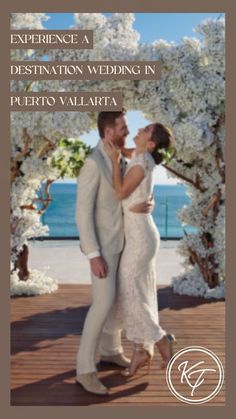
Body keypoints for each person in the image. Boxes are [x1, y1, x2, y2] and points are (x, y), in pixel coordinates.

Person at [75, 109, 154, 395]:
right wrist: (93, 254)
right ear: (109, 132)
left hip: (125, 242)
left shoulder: (119, 156)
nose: (127, 131)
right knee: (102, 304)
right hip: (104, 249)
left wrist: (147, 202)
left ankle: (110, 350)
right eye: (123, 128)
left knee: (116, 302)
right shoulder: (93, 164)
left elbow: (136, 182)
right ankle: (85, 369)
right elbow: (82, 214)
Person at [104, 122, 177, 377]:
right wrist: (119, 151)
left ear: (151, 143)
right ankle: (140, 351)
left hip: (140, 237)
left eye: (145, 130)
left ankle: (161, 339)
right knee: (140, 293)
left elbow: (121, 192)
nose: (138, 129)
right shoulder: (142, 156)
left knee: (131, 291)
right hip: (141, 233)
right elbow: (131, 155)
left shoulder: (141, 161)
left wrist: (114, 162)